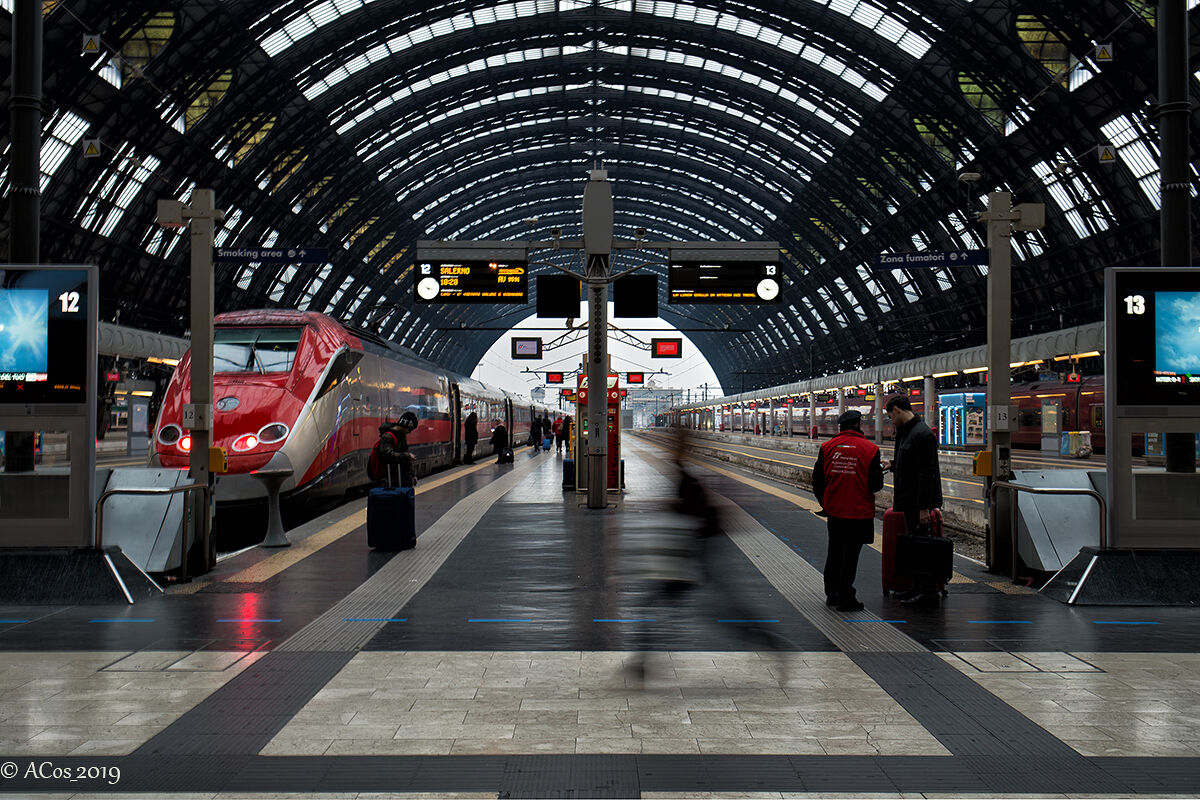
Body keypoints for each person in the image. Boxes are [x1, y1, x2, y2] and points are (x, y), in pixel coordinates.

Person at [812, 410, 884, 612]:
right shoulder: (870, 449)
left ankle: (831, 594)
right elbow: (875, 484)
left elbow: (817, 481)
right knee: (851, 555)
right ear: (859, 424)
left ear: (840, 427)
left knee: (834, 551)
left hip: (835, 511)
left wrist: (825, 504)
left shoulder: (827, 447)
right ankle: (846, 597)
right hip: (859, 513)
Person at [883, 395, 944, 607]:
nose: (890, 419)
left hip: (919, 503)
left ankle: (928, 594)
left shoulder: (922, 434)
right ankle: (915, 587)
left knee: (923, 547)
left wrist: (924, 507)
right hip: (909, 500)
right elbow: (910, 465)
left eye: (890, 415)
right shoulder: (907, 432)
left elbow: (927, 473)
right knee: (914, 545)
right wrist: (892, 464)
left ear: (897, 409)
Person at [378, 411, 418, 488]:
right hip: (392, 479)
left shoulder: (402, 436)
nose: (409, 432)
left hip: (404, 478)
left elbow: (406, 458)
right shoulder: (387, 436)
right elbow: (386, 455)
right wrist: (406, 456)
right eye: (410, 429)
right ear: (405, 425)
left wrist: (412, 475)